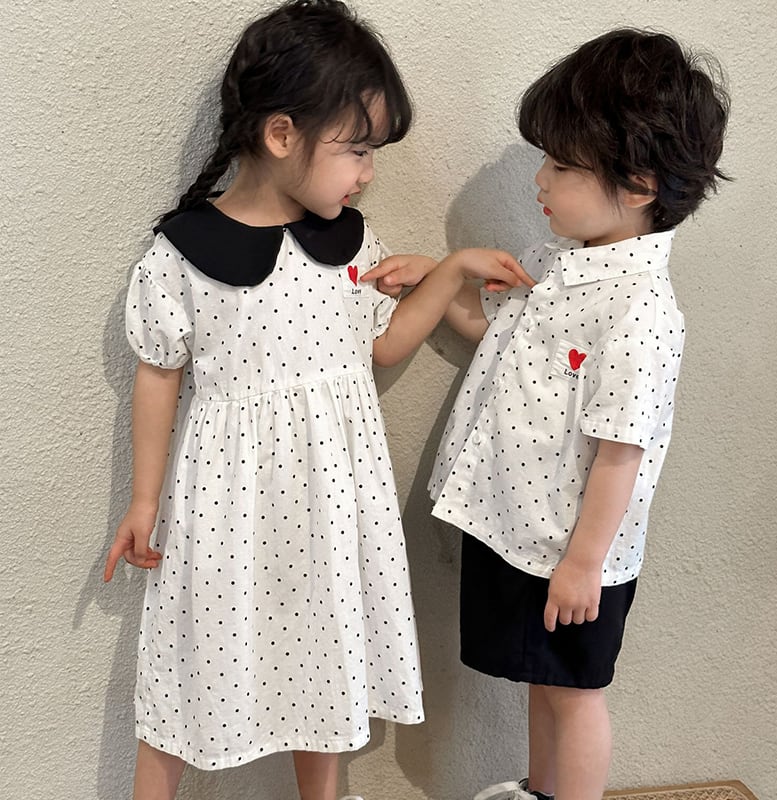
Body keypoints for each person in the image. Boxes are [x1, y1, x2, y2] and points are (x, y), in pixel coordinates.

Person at [102, 2, 532, 800]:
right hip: (228, 504)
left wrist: (448, 270)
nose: (368, 172)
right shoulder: (184, 253)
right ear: (280, 134)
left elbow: (381, 348)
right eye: (357, 150)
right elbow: (158, 372)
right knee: (188, 664)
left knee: (325, 661)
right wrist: (142, 500)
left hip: (333, 503)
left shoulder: (349, 242)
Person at [366, 28, 729, 800]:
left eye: (562, 166)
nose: (541, 179)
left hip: (572, 548)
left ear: (638, 183)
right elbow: (500, 333)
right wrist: (438, 278)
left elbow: (622, 450)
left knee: (574, 693)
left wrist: (584, 564)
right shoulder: (563, 259)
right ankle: (542, 789)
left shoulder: (639, 310)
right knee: (542, 679)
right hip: (523, 527)